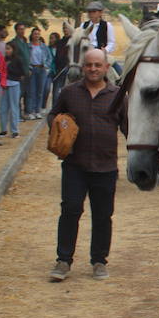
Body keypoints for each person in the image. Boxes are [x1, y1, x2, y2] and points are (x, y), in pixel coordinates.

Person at [47, 48, 120, 282]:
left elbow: (129, 126)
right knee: (70, 211)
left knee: (102, 215)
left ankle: (99, 261)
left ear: (106, 68)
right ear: (83, 67)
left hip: (106, 166)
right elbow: (53, 115)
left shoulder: (117, 95)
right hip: (74, 165)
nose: (93, 69)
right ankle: (63, 261)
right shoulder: (69, 92)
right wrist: (60, 125)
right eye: (89, 65)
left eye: (98, 65)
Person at [9, 22, 31, 122]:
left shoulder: (25, 42)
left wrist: (29, 68)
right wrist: (21, 72)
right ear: (16, 30)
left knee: (26, 93)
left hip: (27, 72)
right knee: (18, 94)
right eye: (20, 29)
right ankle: (16, 115)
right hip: (20, 72)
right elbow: (17, 59)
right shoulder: (14, 43)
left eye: (23, 29)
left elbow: (28, 57)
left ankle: (23, 113)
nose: (22, 31)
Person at [26, 28, 50, 119]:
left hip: (42, 69)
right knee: (31, 91)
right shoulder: (28, 46)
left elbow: (49, 58)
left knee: (40, 91)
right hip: (32, 69)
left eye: (38, 34)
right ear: (32, 35)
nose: (37, 36)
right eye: (35, 34)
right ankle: (31, 111)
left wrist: (47, 66)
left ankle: (37, 111)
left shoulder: (43, 46)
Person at [3, 41, 25, 138]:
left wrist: (9, 69)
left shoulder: (18, 60)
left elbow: (21, 72)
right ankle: (3, 129)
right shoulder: (3, 59)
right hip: (4, 85)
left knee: (14, 107)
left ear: (13, 50)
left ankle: (15, 130)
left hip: (14, 84)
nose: (7, 51)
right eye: (6, 48)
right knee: (3, 108)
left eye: (9, 49)